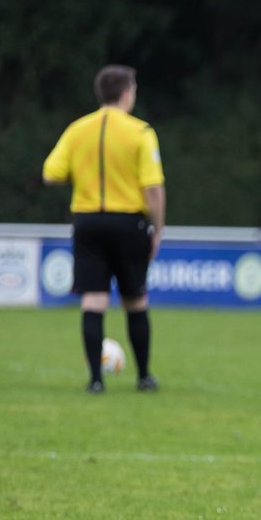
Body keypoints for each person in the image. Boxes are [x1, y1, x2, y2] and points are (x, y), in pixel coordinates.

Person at [43, 65, 165, 392]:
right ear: (126, 93)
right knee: (135, 300)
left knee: (93, 301)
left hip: (88, 222)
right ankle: (144, 377)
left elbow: (50, 173)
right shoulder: (140, 133)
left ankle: (96, 382)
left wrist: (83, 174)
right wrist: (159, 227)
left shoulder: (77, 130)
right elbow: (153, 187)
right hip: (128, 222)